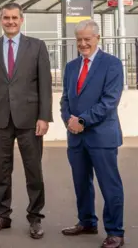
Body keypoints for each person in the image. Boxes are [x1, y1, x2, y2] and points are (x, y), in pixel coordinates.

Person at [0, 2, 53, 239]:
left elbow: (45, 85)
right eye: (6, 18)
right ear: (0, 20)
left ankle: (35, 218)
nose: (11, 22)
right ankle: (2, 216)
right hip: (0, 118)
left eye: (15, 18)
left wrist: (45, 117)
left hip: (30, 119)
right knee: (1, 172)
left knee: (33, 170)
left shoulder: (36, 46)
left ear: (21, 20)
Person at [60, 19, 125, 248]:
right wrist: (69, 121)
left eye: (87, 39)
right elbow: (65, 99)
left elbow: (109, 101)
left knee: (110, 186)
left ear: (98, 39)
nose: (83, 44)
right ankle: (87, 221)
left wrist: (83, 121)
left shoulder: (113, 64)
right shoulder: (70, 67)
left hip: (102, 136)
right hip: (76, 137)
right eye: (79, 40)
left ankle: (115, 231)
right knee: (81, 183)